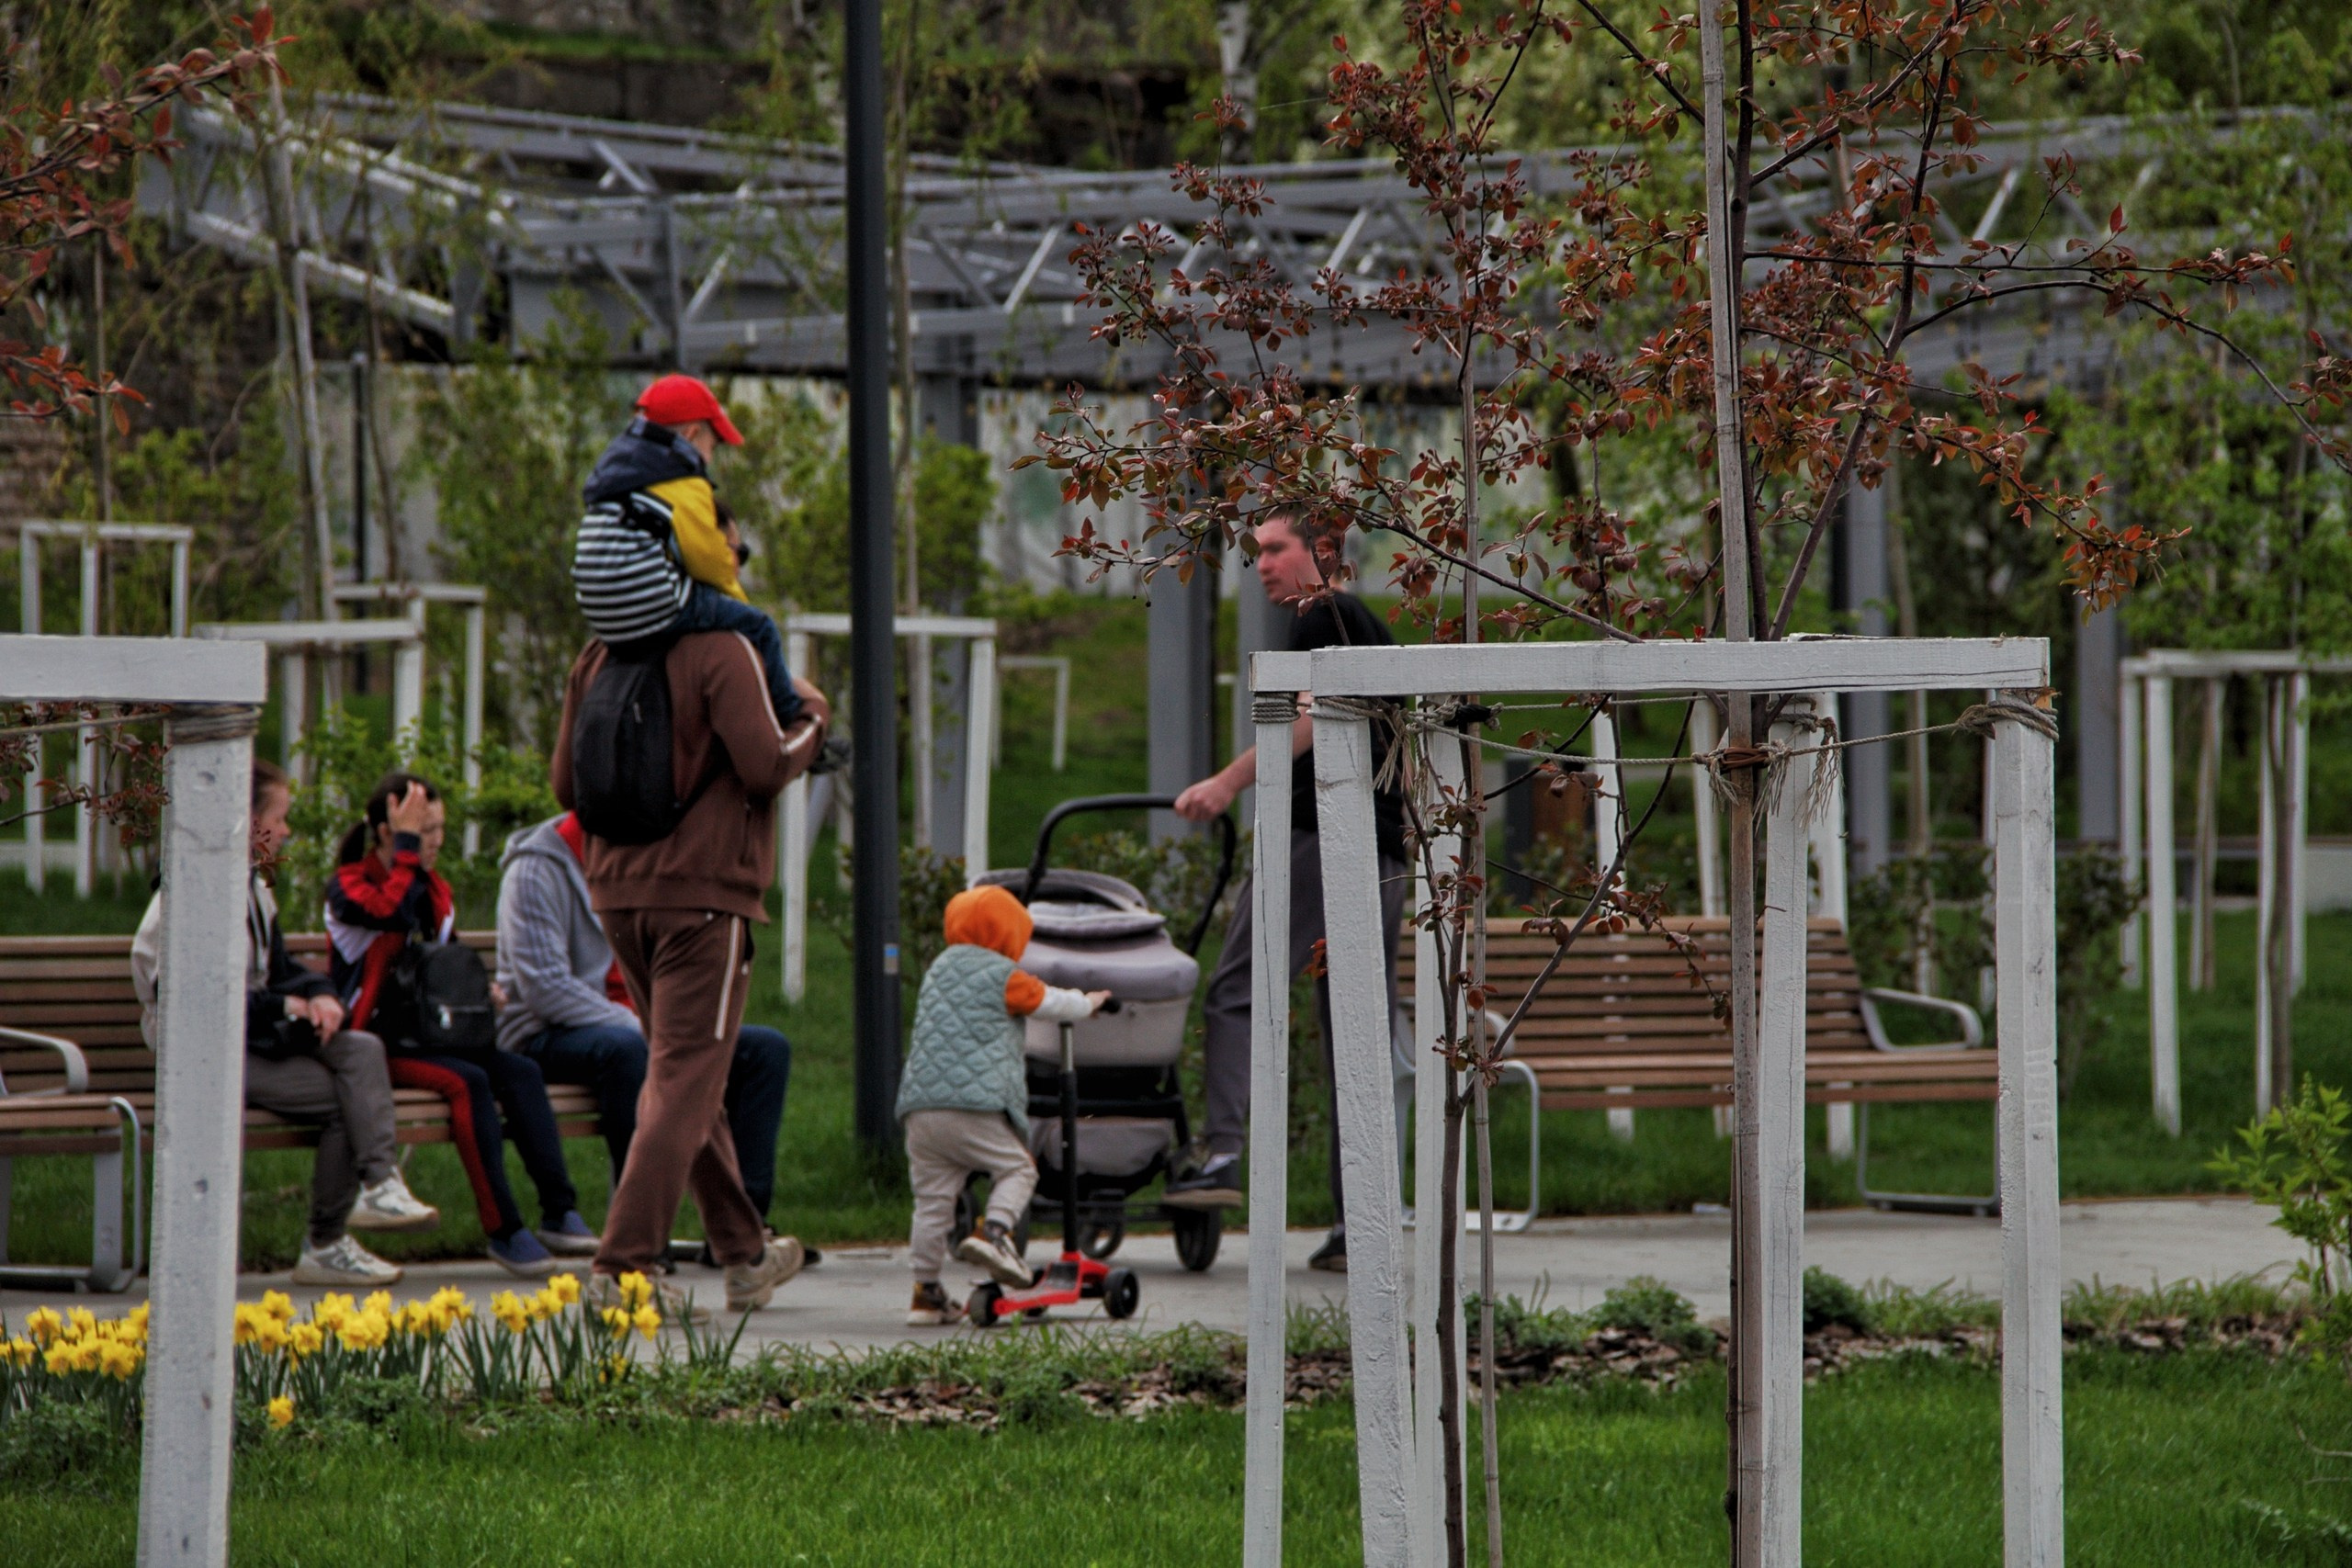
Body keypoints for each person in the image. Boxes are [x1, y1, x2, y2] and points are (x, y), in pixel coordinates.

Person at [551, 606, 830, 1318]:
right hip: (704, 895)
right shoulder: (723, 650)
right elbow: (767, 766)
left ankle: (743, 1255)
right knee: (682, 1081)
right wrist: (813, 723)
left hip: (617, 893)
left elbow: (565, 786)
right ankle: (622, 1268)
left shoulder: (602, 649)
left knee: (686, 1071)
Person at [1162, 511, 1417, 1272]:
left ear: (1323, 552)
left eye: (1276, 548)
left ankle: (1221, 1158)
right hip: (1382, 849)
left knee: (1235, 988)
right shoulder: (1366, 623)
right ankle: (1358, 1226)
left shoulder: (1317, 617)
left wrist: (1225, 781)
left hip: (1319, 839)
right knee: (1354, 1036)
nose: (1262, 563)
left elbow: (1306, 718)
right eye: (1258, 551)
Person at [130, 760, 438, 1288]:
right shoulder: (190, 898)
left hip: (250, 1037)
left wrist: (320, 995)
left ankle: (382, 1185)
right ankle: (327, 1243)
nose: (288, 829)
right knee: (347, 1100)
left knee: (360, 1049)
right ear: (245, 820)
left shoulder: (252, 887)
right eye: (281, 817)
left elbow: (281, 969)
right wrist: (285, 1009)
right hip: (204, 1052)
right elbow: (191, 1002)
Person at [324, 772, 589, 1279]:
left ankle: (560, 1211)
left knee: (520, 1072)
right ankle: (505, 1230)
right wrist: (406, 852)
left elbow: (440, 962)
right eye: (425, 830)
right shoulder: (348, 887)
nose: (437, 842)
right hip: (376, 1046)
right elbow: (391, 914)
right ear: (387, 833)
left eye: (439, 829)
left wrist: (477, 993)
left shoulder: (433, 889)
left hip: (431, 1033)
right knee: (468, 1083)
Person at [495, 810, 794, 1226]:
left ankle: (746, 1224)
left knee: (764, 1050)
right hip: (547, 1033)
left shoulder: (642, 859)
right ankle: (638, 1229)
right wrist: (641, 1025)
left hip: (639, 1026)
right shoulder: (535, 870)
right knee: (628, 1051)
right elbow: (545, 989)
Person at [896, 886, 1108, 1326]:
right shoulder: (1002, 975)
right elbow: (1047, 1001)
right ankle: (995, 1233)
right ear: (1009, 935)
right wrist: (1086, 1003)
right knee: (1018, 1168)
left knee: (933, 1202)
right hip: (972, 1105)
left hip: (920, 1107)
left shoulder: (939, 968)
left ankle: (926, 1292)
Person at [571, 373, 804, 728]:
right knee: (761, 626)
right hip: (656, 606)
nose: (710, 458)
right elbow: (709, 561)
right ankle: (788, 717)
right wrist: (737, 603)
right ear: (693, 434)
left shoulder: (616, 475)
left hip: (602, 614)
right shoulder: (682, 481)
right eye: (714, 444)